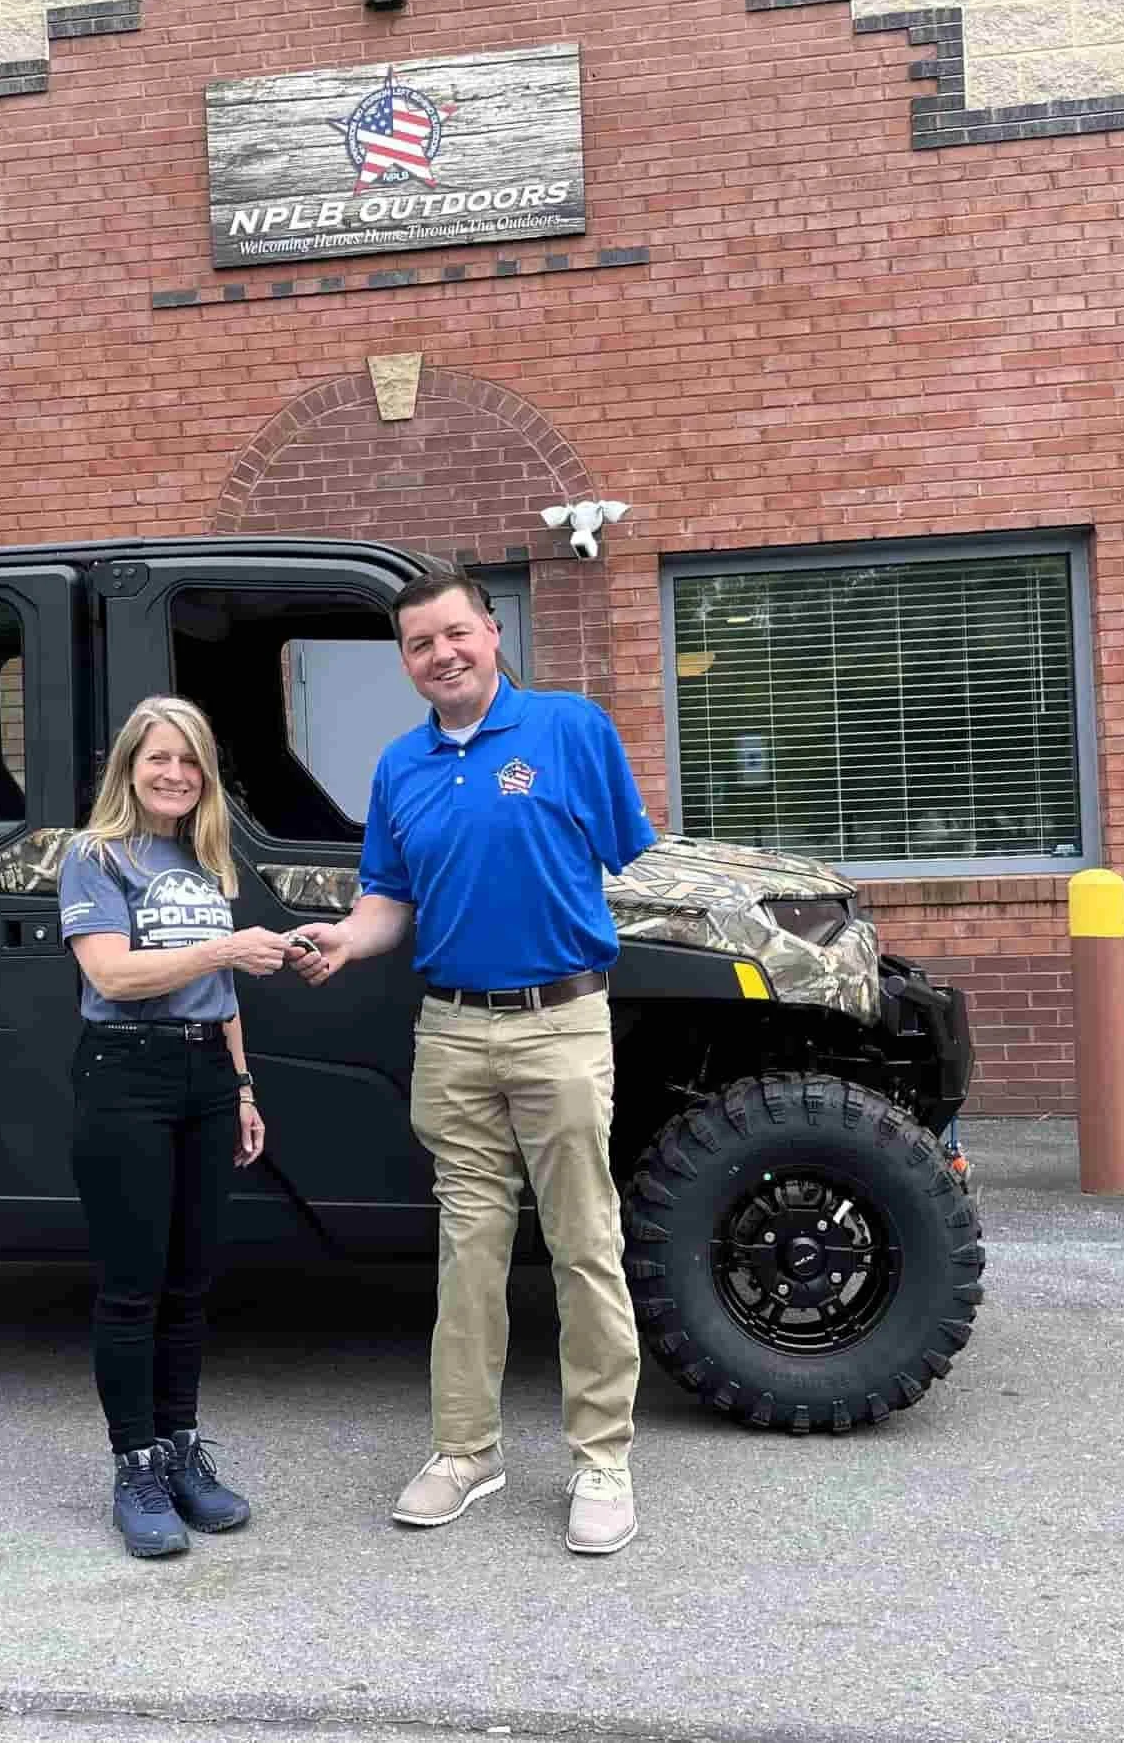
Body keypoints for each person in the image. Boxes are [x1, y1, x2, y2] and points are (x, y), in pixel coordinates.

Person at [289, 569, 656, 1557]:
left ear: (491, 634)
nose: (440, 654)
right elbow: (386, 902)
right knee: (469, 1252)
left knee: (584, 1243)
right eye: (419, 644)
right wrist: (344, 941)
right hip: (450, 1033)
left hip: (561, 1023)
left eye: (455, 633)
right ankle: (465, 1452)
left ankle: (601, 1461)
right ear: (406, 662)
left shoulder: (570, 730)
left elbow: (633, 863)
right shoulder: (399, 768)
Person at [58, 694, 296, 1558]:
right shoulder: (95, 855)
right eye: (159, 757)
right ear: (129, 765)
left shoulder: (203, 857)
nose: (175, 774)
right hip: (126, 1071)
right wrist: (226, 948)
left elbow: (218, 996)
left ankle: (182, 1448)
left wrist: (241, 1086)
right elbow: (114, 975)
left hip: (203, 1072)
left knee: (190, 1282)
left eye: (190, 760)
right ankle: (136, 1466)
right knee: (133, 1285)